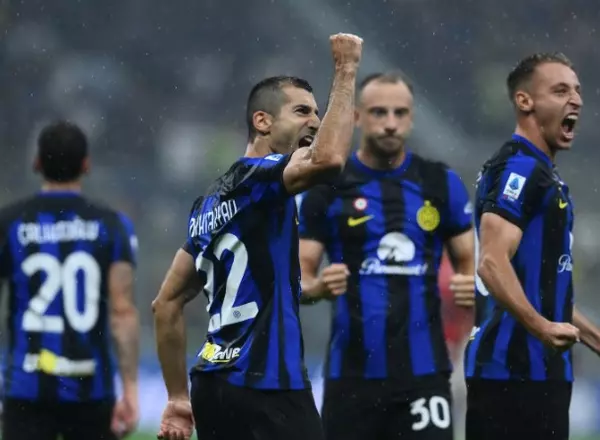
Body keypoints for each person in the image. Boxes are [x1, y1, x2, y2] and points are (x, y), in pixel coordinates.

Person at [152, 33, 363, 440]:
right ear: (262, 121)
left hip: (213, 384)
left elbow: (165, 304)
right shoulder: (261, 178)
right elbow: (329, 159)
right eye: (302, 111)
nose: (315, 122)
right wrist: (346, 68)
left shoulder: (207, 206)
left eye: (317, 113)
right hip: (268, 381)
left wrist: (178, 397)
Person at [297, 72, 475, 440]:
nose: (391, 123)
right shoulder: (329, 187)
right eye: (379, 112)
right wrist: (318, 288)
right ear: (357, 117)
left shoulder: (440, 183)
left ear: (411, 118)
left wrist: (470, 283)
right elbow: (298, 279)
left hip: (425, 374)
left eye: (400, 113)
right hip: (351, 377)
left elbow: (470, 265)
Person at [464, 52, 600, 440]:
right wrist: (541, 328)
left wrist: (594, 339)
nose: (576, 100)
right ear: (525, 101)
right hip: (510, 374)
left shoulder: (543, 175)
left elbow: (543, 291)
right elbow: (491, 263)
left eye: (577, 91)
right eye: (560, 90)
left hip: (542, 373)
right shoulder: (520, 169)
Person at [0, 121, 140, 440]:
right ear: (86, 165)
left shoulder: (9, 224)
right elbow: (122, 313)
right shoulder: (112, 226)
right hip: (91, 390)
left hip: (25, 390)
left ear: (37, 163)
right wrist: (130, 389)